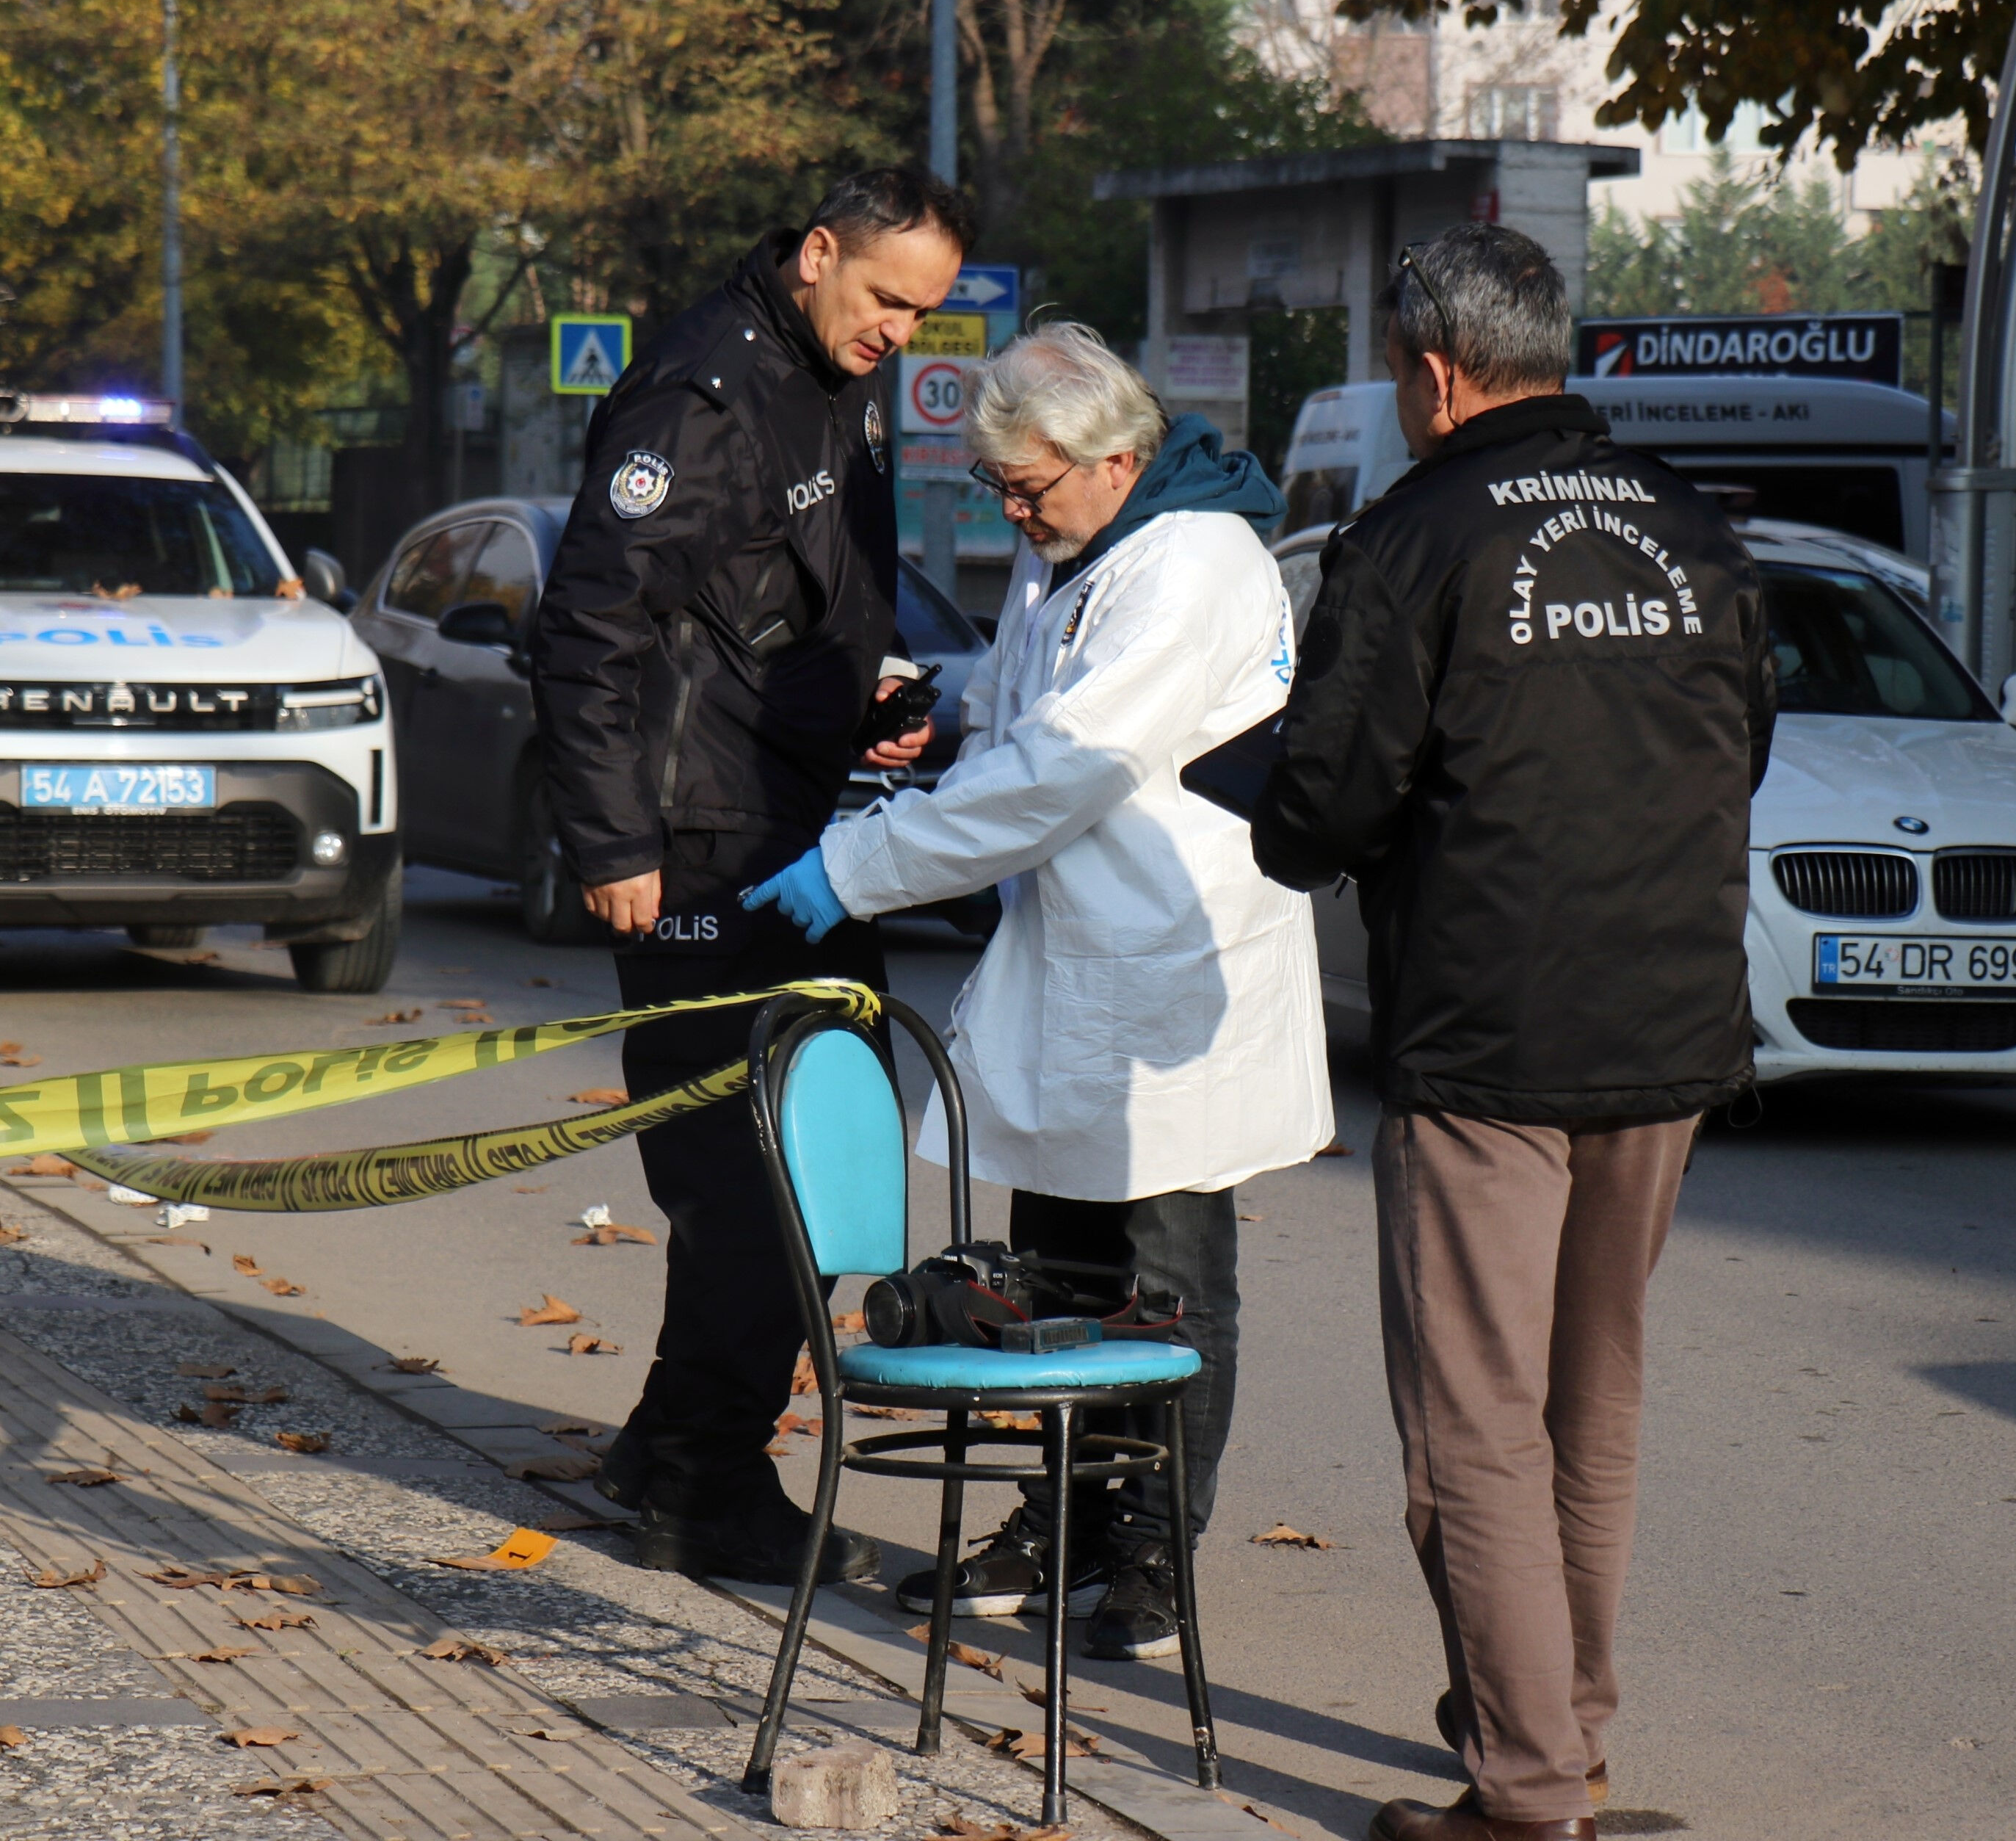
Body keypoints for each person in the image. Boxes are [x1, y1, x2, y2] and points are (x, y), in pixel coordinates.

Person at [1250, 225, 1774, 1841]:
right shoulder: (1692, 528)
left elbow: (1323, 804)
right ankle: (1570, 1728)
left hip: (1486, 1029)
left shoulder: (1415, 535)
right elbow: (1743, 740)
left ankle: (1528, 1789)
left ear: (1433, 370)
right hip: (1668, 1018)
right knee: (1591, 1393)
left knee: (1472, 1420)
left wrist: (1285, 808)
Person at [742, 322, 1330, 1660]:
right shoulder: (1078, 543)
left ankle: (1152, 1557)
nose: (1015, 513)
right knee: (1057, 1275)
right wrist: (948, 711)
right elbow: (1024, 702)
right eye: (1000, 491)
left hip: (1176, 981)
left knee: (1169, 1289)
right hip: (1076, 974)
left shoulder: (1194, 566)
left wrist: (862, 862)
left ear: (1117, 458)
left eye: (1030, 489)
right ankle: (1062, 1518)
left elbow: (1067, 765)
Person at [531, 164, 977, 1585]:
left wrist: (874, 688)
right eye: (887, 297)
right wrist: (611, 844)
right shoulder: (699, 395)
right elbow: (588, 627)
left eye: (926, 312)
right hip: (696, 840)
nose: (902, 331)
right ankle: (704, 1489)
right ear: (818, 254)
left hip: (793, 826)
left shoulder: (820, 375)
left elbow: (792, 596)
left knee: (815, 1153)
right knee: (753, 1180)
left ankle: (669, 1444)